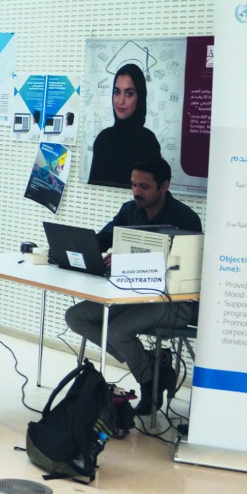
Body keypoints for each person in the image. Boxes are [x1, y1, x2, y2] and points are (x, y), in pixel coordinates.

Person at [66, 156, 202, 415]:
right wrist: (72, 249)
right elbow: (101, 239)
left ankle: (148, 383)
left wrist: (128, 261)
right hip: (130, 295)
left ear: (164, 186)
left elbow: (186, 270)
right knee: (76, 316)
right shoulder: (129, 210)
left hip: (173, 301)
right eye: (133, 185)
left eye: (144, 186)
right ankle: (150, 365)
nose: (136, 192)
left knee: (117, 332)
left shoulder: (186, 219)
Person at [88, 63, 160, 188]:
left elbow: (154, 194)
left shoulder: (149, 142)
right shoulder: (104, 139)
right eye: (116, 92)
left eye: (129, 94)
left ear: (140, 97)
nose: (120, 101)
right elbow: (94, 189)